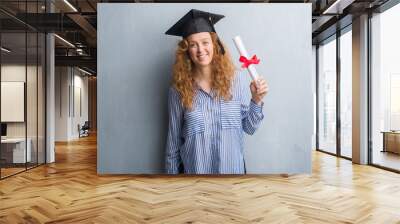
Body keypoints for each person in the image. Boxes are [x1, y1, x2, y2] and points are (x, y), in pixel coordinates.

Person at [165, 9, 268, 174]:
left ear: (214, 44)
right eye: (193, 44)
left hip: (232, 177)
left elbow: (249, 128)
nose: (200, 49)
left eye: (205, 42)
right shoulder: (178, 91)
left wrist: (256, 99)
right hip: (195, 180)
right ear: (186, 51)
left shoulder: (236, 81)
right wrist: (170, 183)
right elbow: (173, 141)